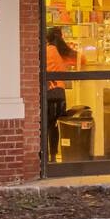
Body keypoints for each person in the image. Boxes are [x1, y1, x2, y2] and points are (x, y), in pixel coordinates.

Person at [45, 27, 78, 160]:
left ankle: (45, 157)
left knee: (45, 125)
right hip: (60, 93)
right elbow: (82, 60)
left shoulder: (46, 51)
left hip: (48, 91)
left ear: (47, 38)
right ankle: (53, 156)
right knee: (54, 126)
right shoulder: (64, 52)